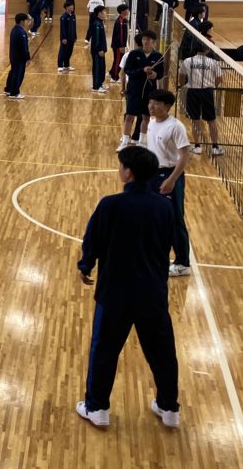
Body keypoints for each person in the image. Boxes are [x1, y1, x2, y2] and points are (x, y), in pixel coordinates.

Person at [75, 146, 180, 430]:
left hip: (115, 294)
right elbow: (168, 242)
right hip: (153, 294)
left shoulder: (110, 205)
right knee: (162, 353)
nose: (119, 169)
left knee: (104, 350)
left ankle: (97, 408)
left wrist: (85, 265)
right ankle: (169, 407)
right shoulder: (164, 207)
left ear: (128, 173)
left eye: (121, 166)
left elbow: (93, 239)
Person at [145, 89, 192, 277]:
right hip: (153, 174)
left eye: (156, 103)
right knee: (155, 217)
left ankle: (183, 263)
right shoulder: (151, 123)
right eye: (150, 102)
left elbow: (184, 156)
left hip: (170, 174)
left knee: (174, 218)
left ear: (167, 106)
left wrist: (171, 179)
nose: (151, 106)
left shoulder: (176, 127)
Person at [119, 31, 163, 150]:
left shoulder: (158, 56)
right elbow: (128, 71)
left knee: (146, 116)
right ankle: (125, 142)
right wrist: (142, 70)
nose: (145, 42)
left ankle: (142, 142)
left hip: (149, 91)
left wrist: (155, 75)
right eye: (144, 39)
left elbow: (160, 74)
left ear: (153, 42)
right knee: (129, 116)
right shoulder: (134, 54)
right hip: (134, 89)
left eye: (148, 39)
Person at [179, 43, 224, 156]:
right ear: (207, 50)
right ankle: (215, 147)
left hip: (192, 92)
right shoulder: (212, 62)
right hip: (207, 92)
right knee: (211, 120)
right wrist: (214, 86)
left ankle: (197, 146)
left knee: (195, 120)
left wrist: (183, 86)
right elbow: (220, 77)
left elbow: (181, 76)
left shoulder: (188, 61)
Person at [5, 13, 31, 99]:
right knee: (18, 74)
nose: (27, 22)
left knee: (13, 72)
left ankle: (8, 89)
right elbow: (23, 47)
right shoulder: (21, 32)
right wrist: (27, 58)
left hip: (14, 55)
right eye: (26, 20)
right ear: (22, 21)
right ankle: (14, 93)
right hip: (19, 57)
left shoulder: (14, 29)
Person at [109, 3, 130, 83]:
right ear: (122, 11)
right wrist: (121, 46)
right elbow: (120, 35)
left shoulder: (123, 20)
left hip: (119, 45)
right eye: (127, 10)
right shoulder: (120, 22)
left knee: (117, 60)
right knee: (118, 61)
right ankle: (114, 77)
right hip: (118, 46)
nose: (128, 11)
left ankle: (111, 72)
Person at [90, 5, 108, 93]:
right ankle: (96, 86)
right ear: (99, 13)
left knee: (102, 67)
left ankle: (100, 83)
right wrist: (99, 50)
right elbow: (96, 39)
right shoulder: (96, 24)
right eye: (104, 11)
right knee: (97, 68)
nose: (105, 13)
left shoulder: (100, 23)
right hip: (97, 51)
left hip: (101, 51)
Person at [57, 1, 77, 73]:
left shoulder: (73, 16)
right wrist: (64, 38)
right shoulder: (63, 17)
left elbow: (74, 27)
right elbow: (63, 28)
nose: (72, 7)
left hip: (72, 37)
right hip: (65, 38)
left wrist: (75, 36)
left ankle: (66, 65)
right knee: (62, 52)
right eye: (71, 6)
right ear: (67, 7)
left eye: (72, 6)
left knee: (69, 52)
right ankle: (60, 66)